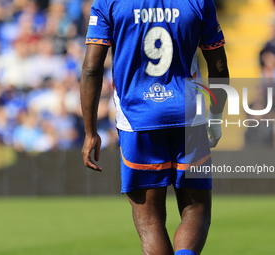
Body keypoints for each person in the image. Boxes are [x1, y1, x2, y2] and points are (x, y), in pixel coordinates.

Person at [80, 0, 229, 254]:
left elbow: (92, 68)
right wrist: (215, 115)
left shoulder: (109, 2)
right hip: (188, 117)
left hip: (137, 120)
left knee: (149, 220)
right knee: (196, 210)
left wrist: (90, 131)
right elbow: (218, 65)